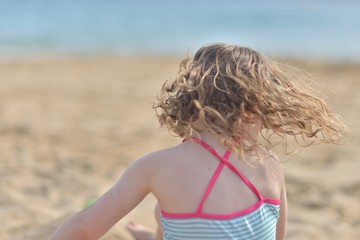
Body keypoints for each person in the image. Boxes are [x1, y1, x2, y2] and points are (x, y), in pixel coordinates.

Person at [50, 43, 348, 240]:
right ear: (255, 107)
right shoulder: (270, 165)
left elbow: (85, 229)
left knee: (165, 208)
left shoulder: (155, 167)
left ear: (188, 101)